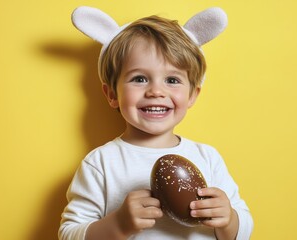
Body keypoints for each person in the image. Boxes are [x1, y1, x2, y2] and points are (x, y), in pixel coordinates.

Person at [59, 6, 253, 240]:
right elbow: (69, 234)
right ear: (111, 94)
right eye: (139, 78)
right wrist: (118, 224)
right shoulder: (100, 164)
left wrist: (229, 220)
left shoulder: (208, 158)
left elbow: (242, 232)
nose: (156, 91)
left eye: (172, 80)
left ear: (192, 95)